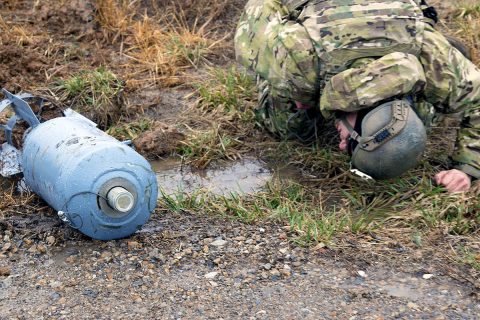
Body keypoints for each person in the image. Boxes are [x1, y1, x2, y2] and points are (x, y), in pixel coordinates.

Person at [234, 0, 480, 193]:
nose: (340, 145)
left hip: (400, 28)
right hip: (315, 39)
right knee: (288, 127)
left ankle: (453, 57)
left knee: (426, 114)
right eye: (350, 145)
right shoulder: (300, 65)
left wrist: (466, 169)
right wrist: (287, 82)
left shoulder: (429, 59)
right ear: (362, 125)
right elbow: (256, 13)